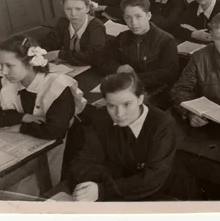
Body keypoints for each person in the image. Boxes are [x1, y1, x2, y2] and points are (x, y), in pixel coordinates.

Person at [69, 73, 199, 201]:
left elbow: (153, 179)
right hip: (122, 190)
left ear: (140, 99)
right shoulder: (100, 118)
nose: (119, 114)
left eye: (126, 104)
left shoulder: (162, 124)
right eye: (111, 106)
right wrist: (101, 186)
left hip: (164, 192)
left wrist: (103, 189)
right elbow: (83, 163)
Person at [0, 35, 87, 187]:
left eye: (9, 65)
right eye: (1, 65)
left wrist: (19, 126)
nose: (4, 72)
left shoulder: (57, 85)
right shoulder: (11, 84)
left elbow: (54, 132)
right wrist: (24, 116)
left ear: (29, 63)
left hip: (68, 150)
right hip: (35, 144)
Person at [94, 0, 180, 109]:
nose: (133, 23)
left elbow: (169, 75)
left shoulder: (167, 41)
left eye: (138, 16)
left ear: (148, 16)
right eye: (128, 17)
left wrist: (133, 79)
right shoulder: (123, 37)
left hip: (155, 95)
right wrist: (117, 68)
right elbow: (102, 59)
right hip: (125, 90)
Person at [39, 0, 106, 66]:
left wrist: (60, 55)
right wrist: (41, 51)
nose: (73, 14)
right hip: (69, 67)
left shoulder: (96, 26)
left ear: (87, 8)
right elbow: (50, 42)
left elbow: (93, 57)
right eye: (68, 9)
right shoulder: (63, 22)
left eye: (78, 9)